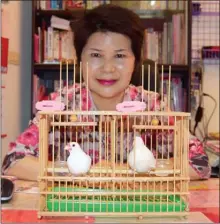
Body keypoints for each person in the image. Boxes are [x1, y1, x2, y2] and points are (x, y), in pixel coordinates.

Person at [2, 4, 210, 181]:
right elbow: (13, 161)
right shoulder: (61, 105)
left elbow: (199, 163)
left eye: (119, 56)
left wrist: (127, 172)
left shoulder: (154, 105)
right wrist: (84, 172)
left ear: (135, 62)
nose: (107, 68)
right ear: (80, 61)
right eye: (96, 55)